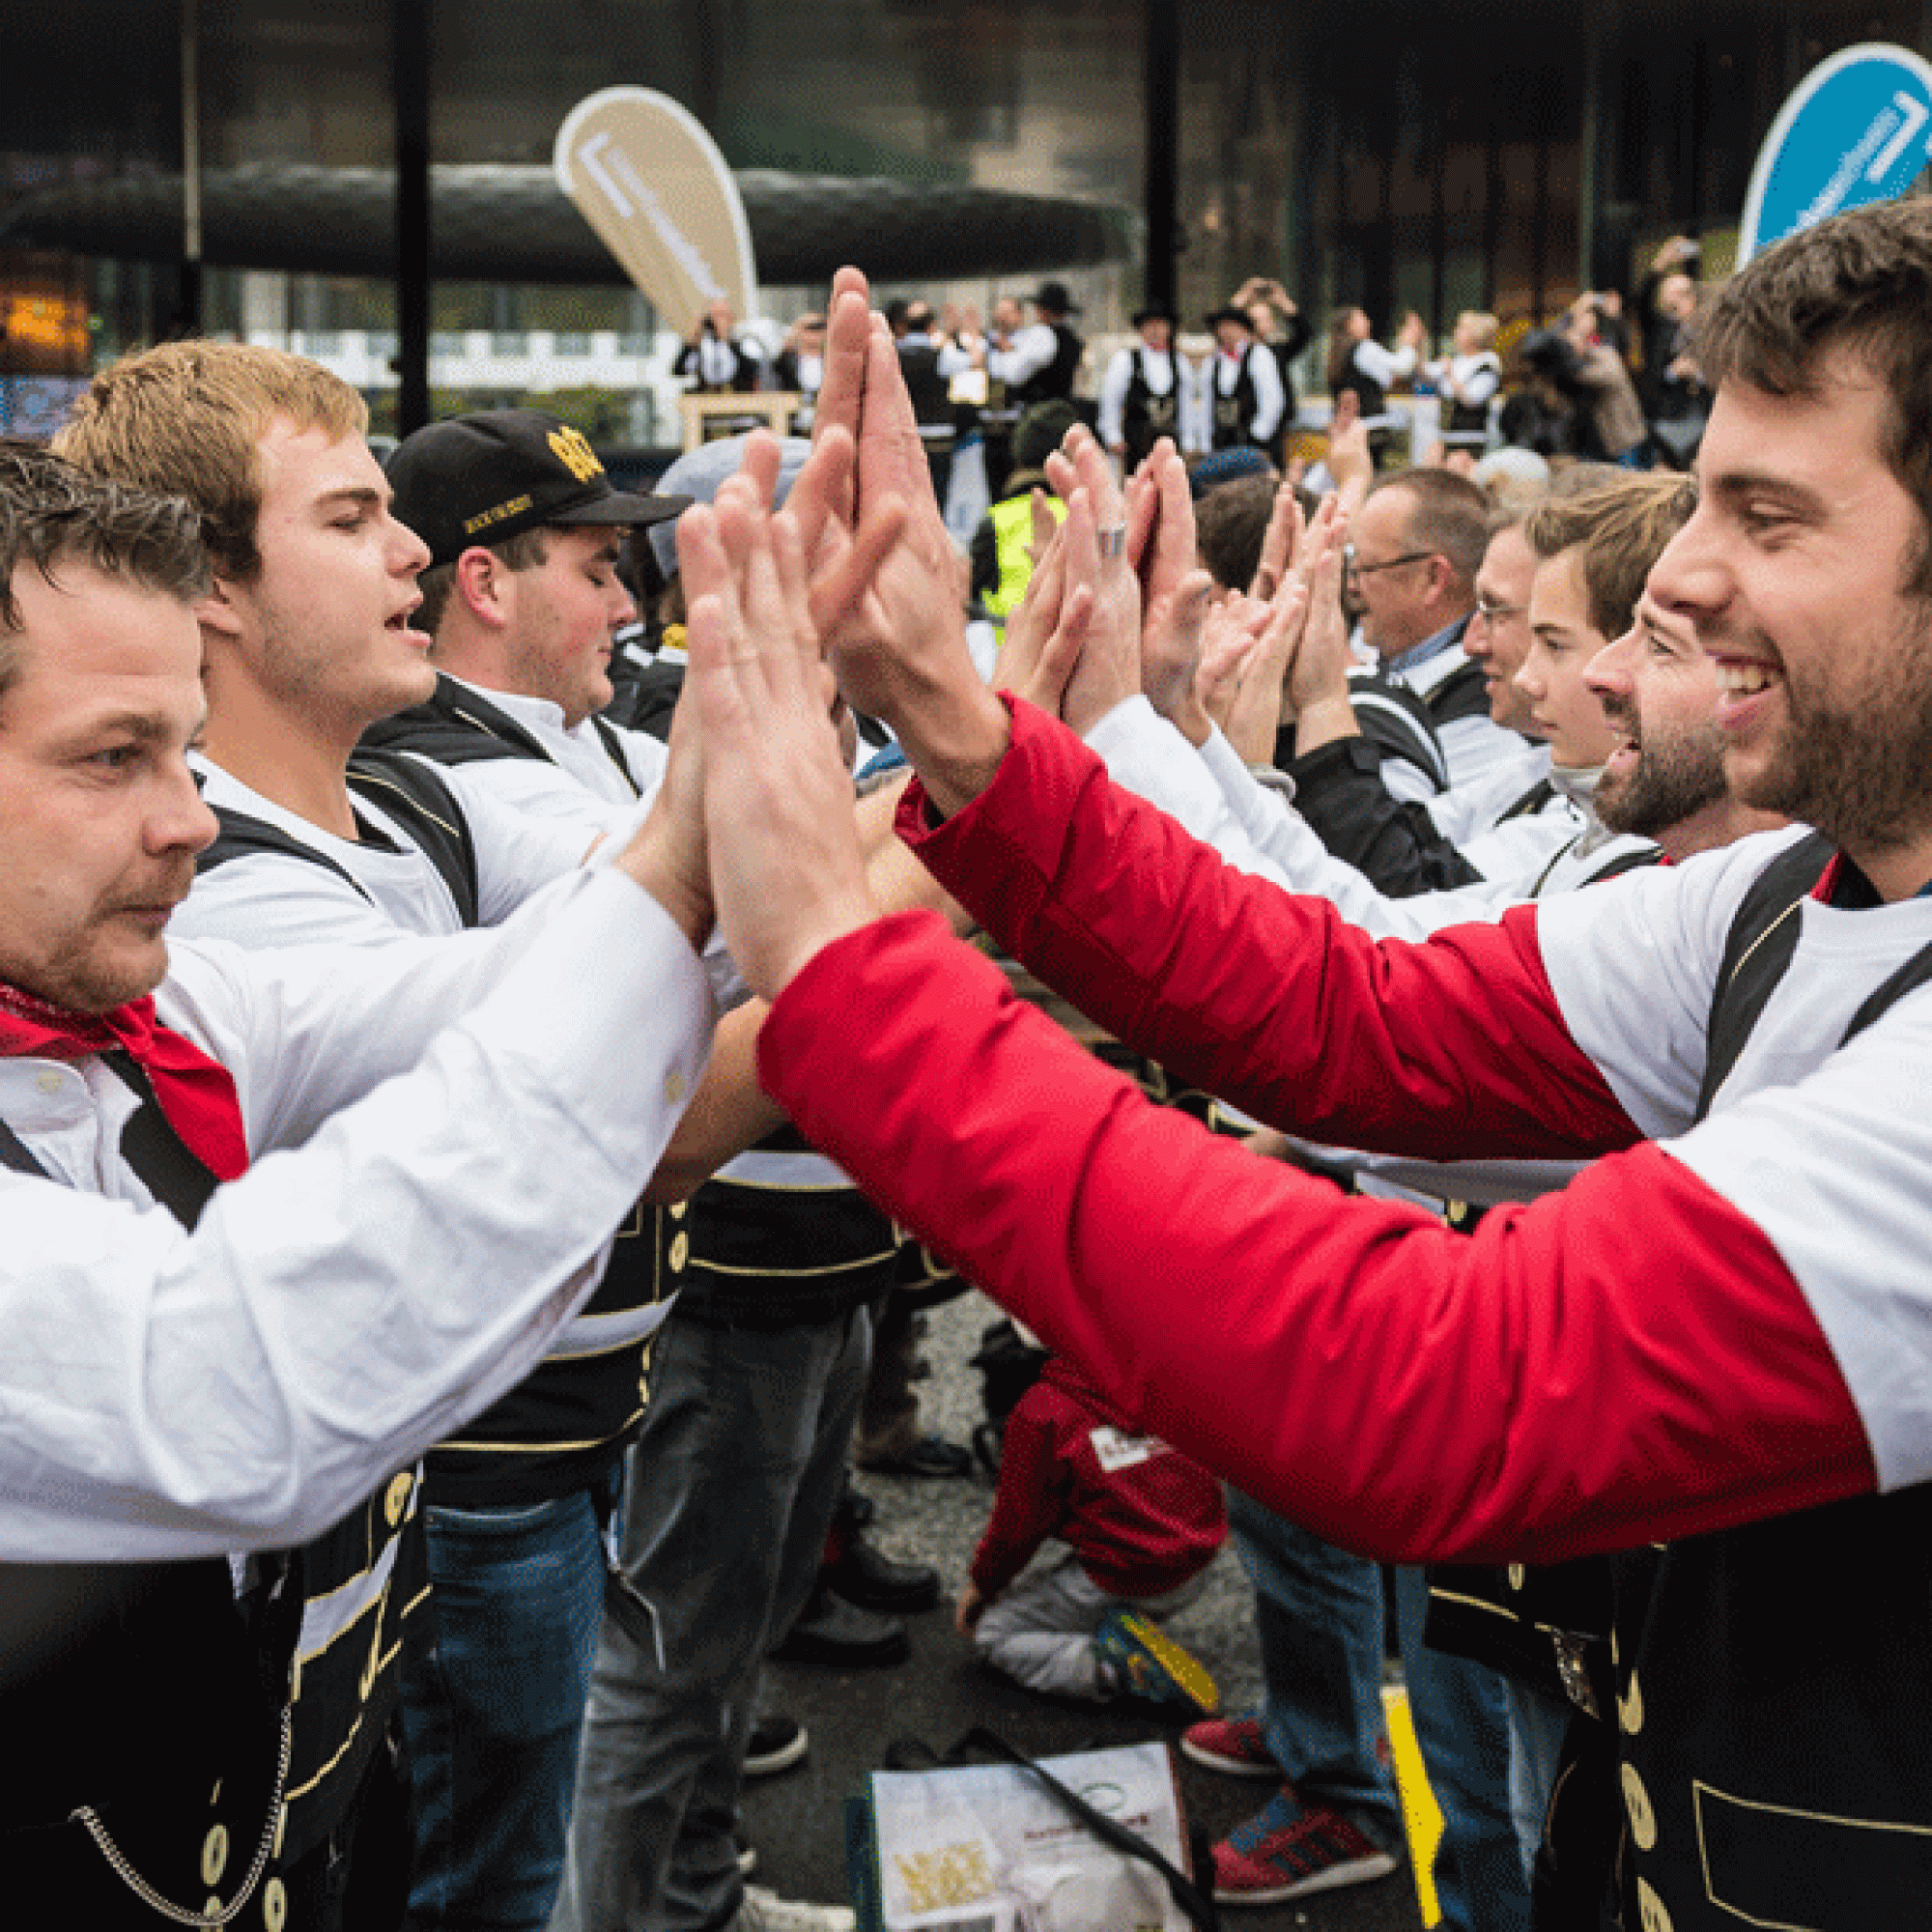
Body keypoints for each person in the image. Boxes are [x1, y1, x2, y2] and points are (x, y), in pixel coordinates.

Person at [691, 203, 1932, 1927]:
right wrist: (962, 735)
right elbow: (1352, 1011)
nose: (1681, 575)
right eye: (1705, 495)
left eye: (1769, 515)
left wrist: (849, 974)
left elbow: (1446, 1380)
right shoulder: (1789, 895)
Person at [0, 441, 715, 1929]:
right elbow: (231, 1387)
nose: (188, 815)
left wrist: (960, 773)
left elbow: (505, 991)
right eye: (110, 756)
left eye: (183, 750)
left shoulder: (158, 1013)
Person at [959, 1350, 1226, 1711]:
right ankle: (1122, 1626)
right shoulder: (1150, 1366)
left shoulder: (1042, 1411)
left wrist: (982, 1584)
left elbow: (1016, 1531)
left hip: (1124, 1574)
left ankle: (1117, 1668)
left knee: (996, 1633)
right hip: (1197, 1560)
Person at [1097, 306, 1193, 469]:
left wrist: (1188, 441)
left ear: (1169, 329)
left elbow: (1186, 405)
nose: (1155, 330)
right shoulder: (1126, 359)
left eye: (1161, 325)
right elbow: (1110, 400)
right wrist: (1112, 436)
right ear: (1141, 329)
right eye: (1150, 325)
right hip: (1136, 440)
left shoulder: (1179, 362)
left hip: (1169, 440)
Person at [1200, 305, 1285, 453]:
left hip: (1253, 442)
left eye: (1232, 327)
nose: (1226, 333)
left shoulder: (1259, 354)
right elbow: (1207, 404)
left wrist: (1258, 436)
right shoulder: (1212, 361)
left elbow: (1273, 400)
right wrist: (1205, 441)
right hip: (1222, 442)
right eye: (1222, 328)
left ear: (1244, 329)